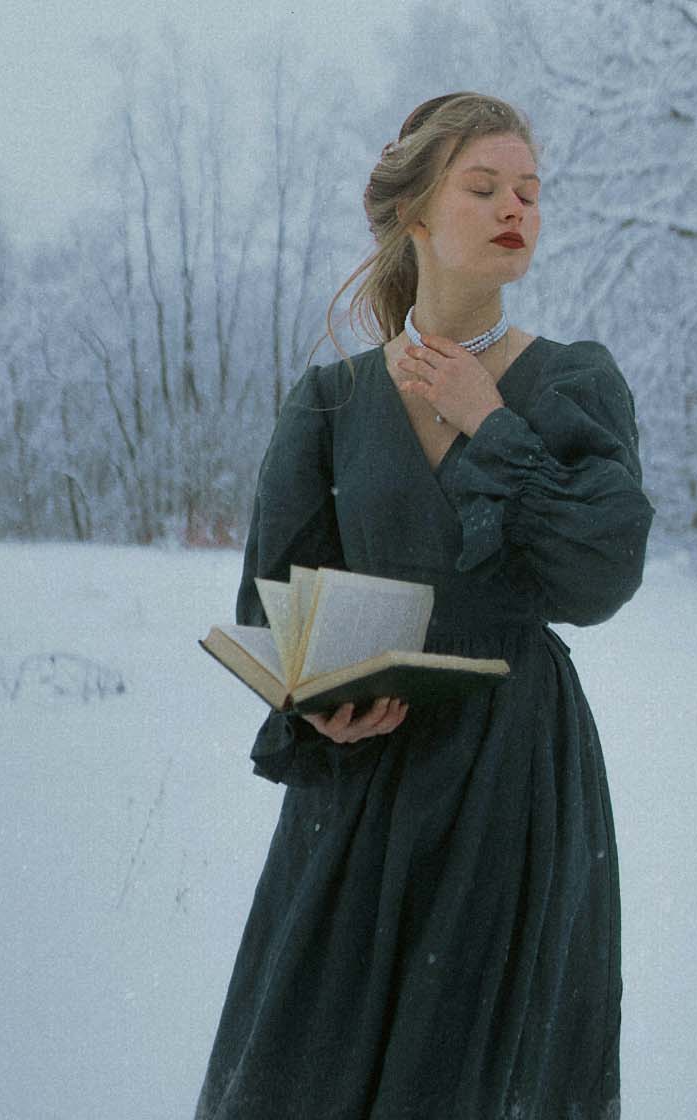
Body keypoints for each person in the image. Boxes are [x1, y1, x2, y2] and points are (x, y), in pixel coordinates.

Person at [195, 91, 653, 1120]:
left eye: (529, 190)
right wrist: (315, 708)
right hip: (367, 780)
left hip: (513, 773)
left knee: (485, 1071)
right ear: (414, 214)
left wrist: (490, 423)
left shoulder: (572, 383)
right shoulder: (331, 402)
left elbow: (604, 571)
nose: (514, 208)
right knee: (315, 1067)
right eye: (483, 187)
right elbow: (276, 607)